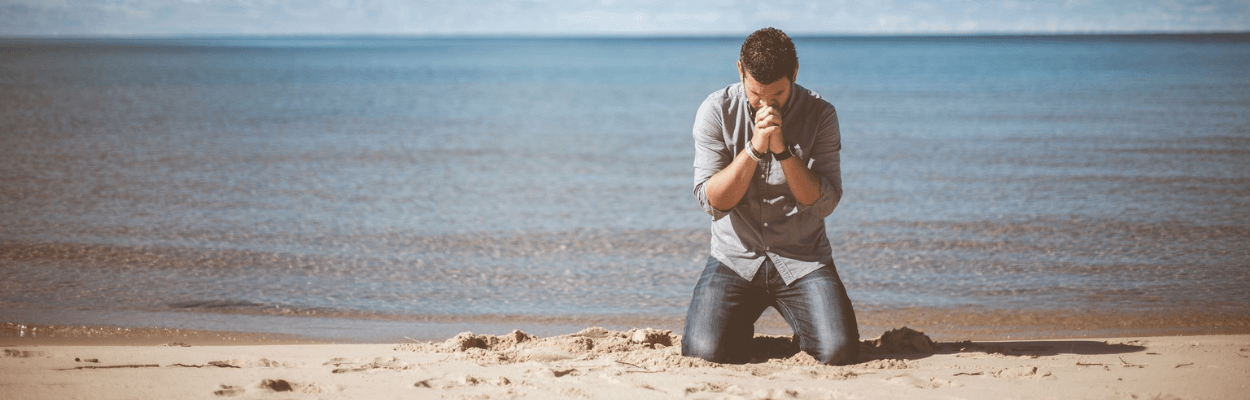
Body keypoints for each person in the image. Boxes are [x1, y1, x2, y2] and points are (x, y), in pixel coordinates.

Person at [682, 27, 859, 365]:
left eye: (777, 94)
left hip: (803, 258)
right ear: (740, 72)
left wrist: (782, 151)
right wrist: (753, 148)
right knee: (702, 354)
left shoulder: (821, 113)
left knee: (838, 352)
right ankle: (735, 329)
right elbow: (712, 201)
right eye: (755, 93)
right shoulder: (716, 110)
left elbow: (824, 203)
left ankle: (804, 326)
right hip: (734, 258)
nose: (766, 105)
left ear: (794, 73)